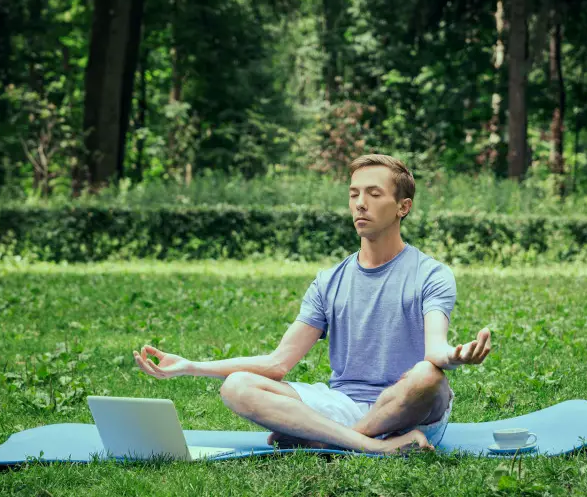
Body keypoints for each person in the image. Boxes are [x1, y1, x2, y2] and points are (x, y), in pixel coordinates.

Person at [133, 154, 492, 453]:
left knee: (428, 376)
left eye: (373, 193)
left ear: (403, 206)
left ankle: (323, 439)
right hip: (341, 406)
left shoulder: (431, 274)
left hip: (410, 409)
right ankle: (371, 446)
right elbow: (277, 364)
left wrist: (454, 357)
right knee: (237, 386)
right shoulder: (329, 281)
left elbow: (435, 351)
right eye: (354, 194)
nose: (360, 203)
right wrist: (190, 365)